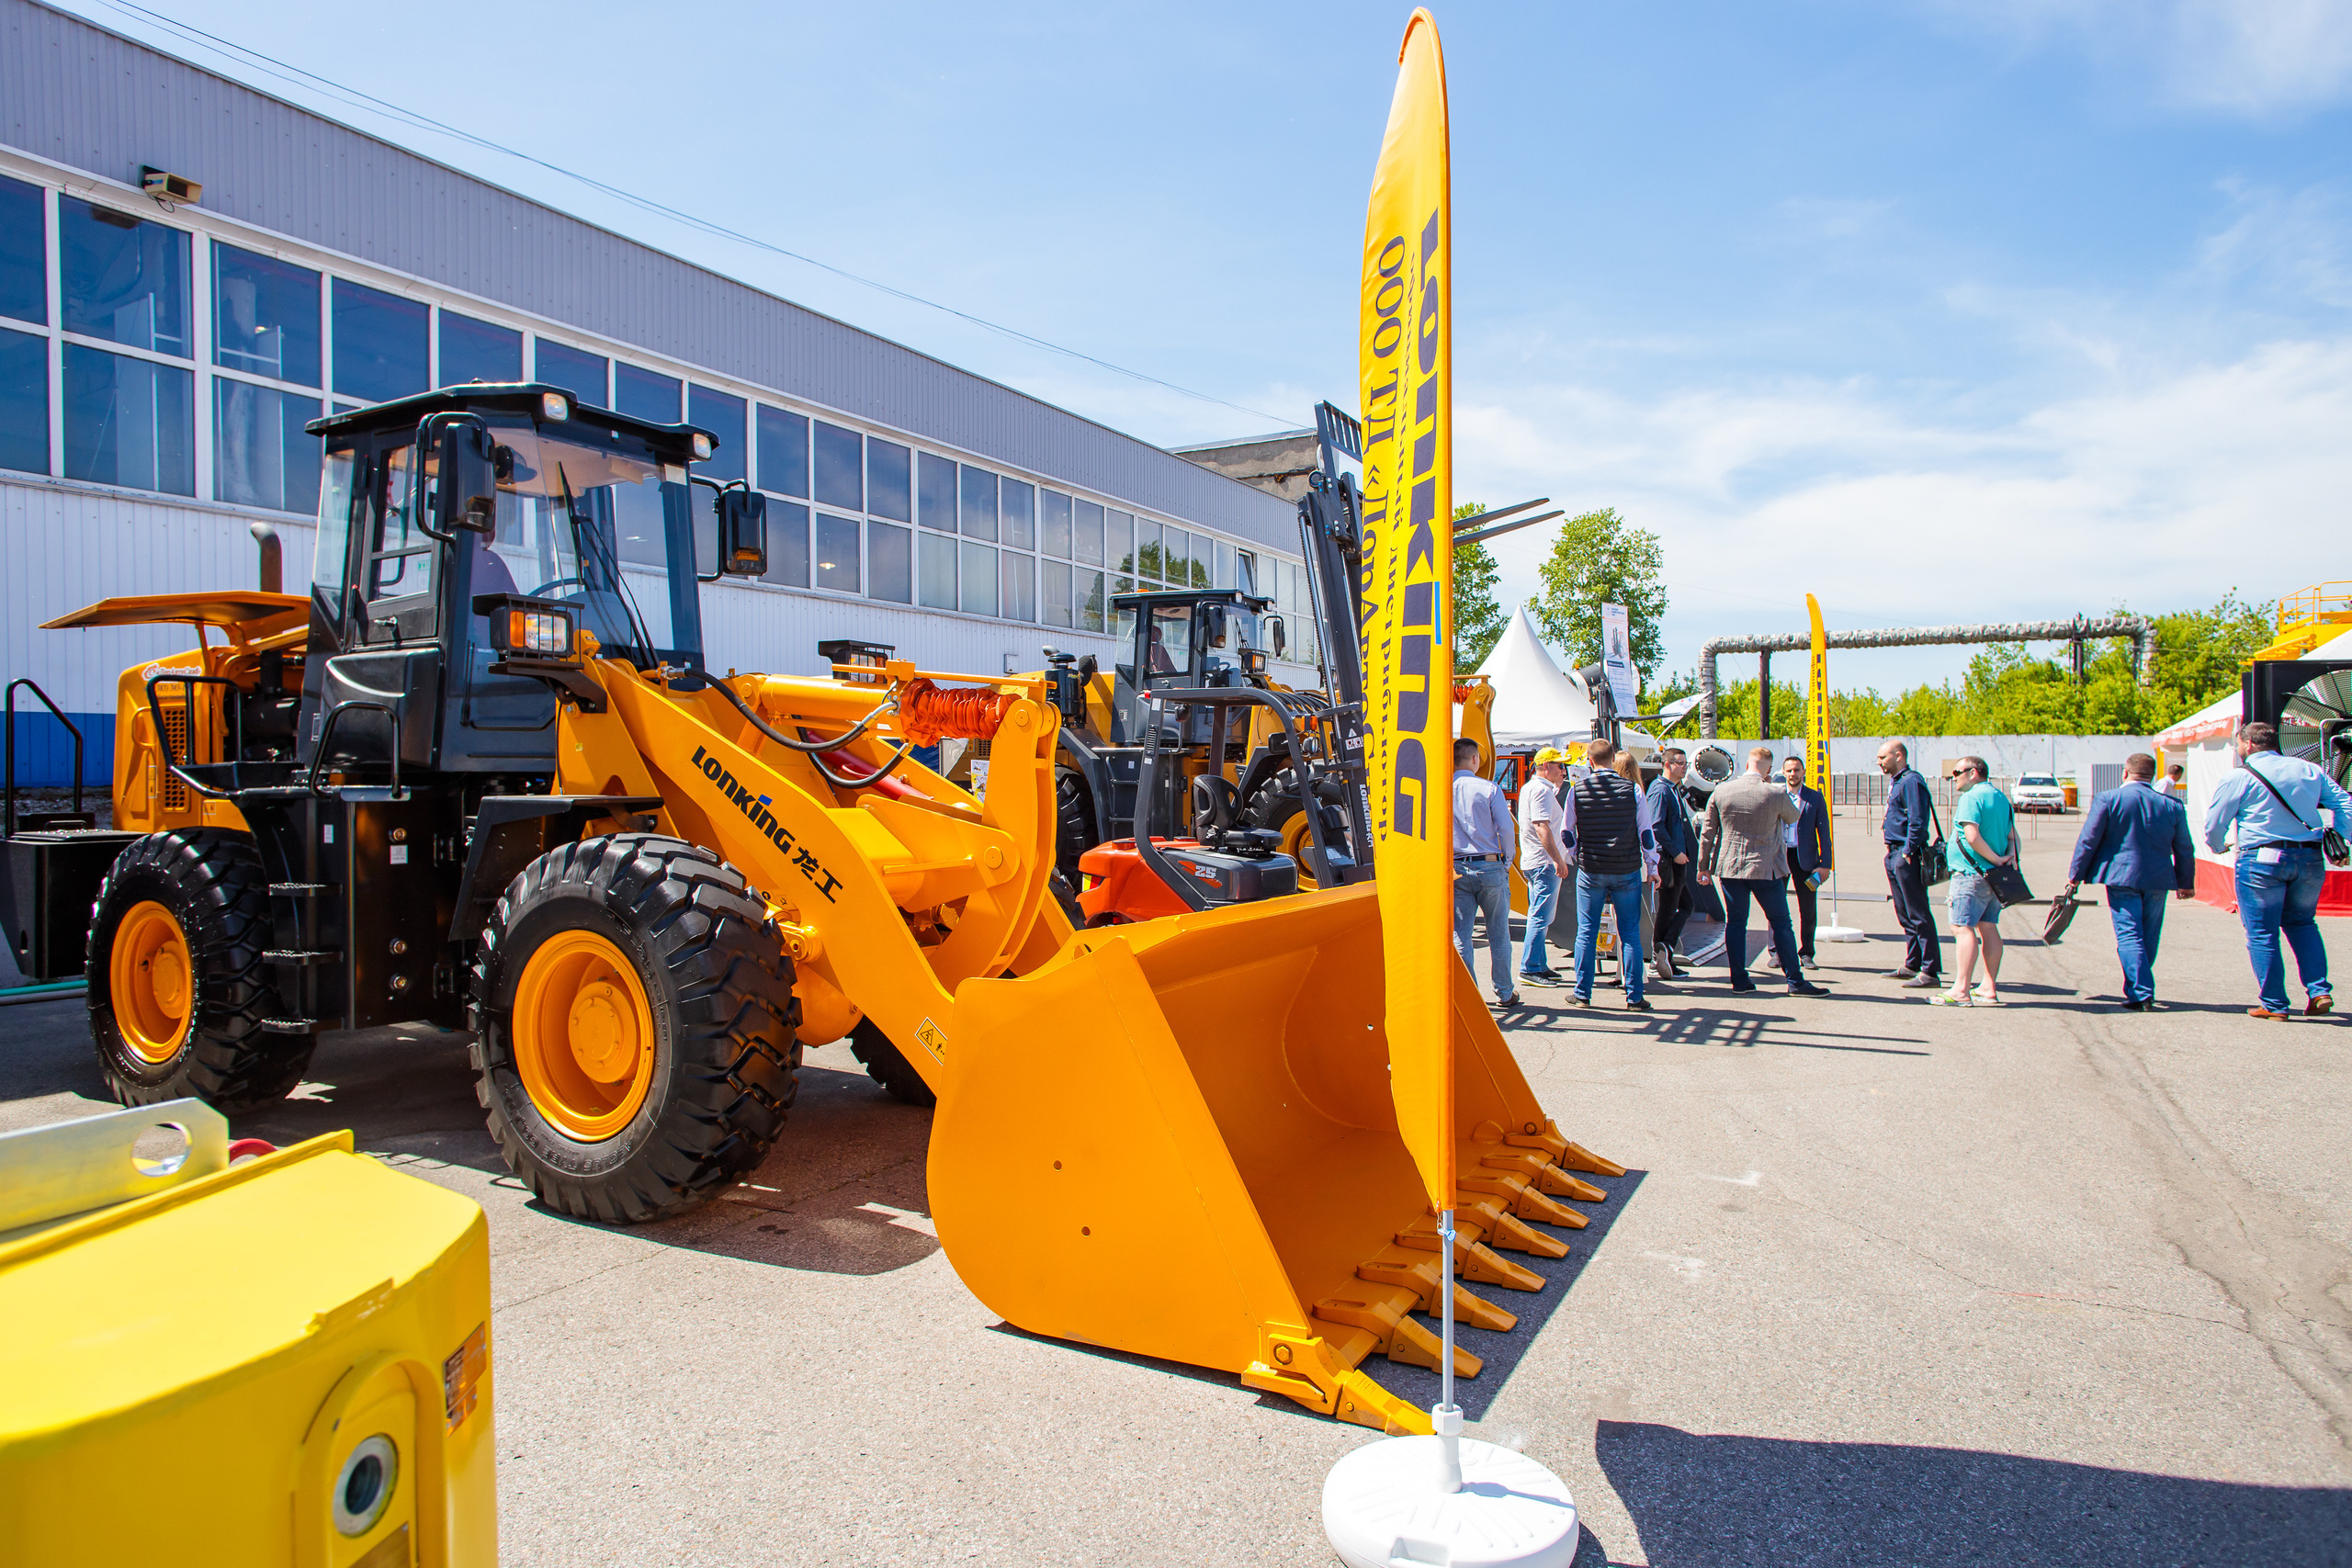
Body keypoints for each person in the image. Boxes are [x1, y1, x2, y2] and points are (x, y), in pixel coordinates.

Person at [2203, 720, 2352, 1020]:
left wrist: (2217, 845)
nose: (2238, 748)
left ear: (2250, 743)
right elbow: (2345, 802)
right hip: (2309, 859)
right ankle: (2319, 991)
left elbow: (2216, 821)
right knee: (2303, 924)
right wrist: (2344, 840)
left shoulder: (2239, 776)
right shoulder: (2309, 769)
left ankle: (2274, 1004)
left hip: (2261, 860)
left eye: (2239, 743)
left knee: (2262, 933)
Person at [2066, 752, 2198, 1010]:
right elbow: (2184, 847)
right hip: (2159, 878)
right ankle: (2141, 986)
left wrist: (2075, 875)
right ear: (2153, 776)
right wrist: (2186, 882)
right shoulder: (2172, 804)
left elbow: (2089, 839)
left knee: (2129, 934)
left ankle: (2141, 991)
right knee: (2149, 933)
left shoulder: (2109, 798)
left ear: (2125, 773)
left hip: (2121, 875)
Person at [1698, 747, 1829, 997]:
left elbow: (1708, 833)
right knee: (1781, 923)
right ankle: (1795, 980)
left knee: (1736, 923)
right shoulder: (1775, 792)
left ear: (1746, 765)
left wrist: (1703, 867)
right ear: (1769, 769)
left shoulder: (1722, 790)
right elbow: (1793, 817)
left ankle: (1739, 980)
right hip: (1765, 868)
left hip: (1731, 867)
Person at [1560, 738, 1660, 1010]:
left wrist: (1576, 855)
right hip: (1626, 868)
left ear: (1589, 761)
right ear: (1613, 757)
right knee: (1629, 933)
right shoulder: (1633, 791)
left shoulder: (1577, 790)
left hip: (1591, 870)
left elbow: (1567, 832)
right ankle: (1634, 997)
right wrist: (1652, 866)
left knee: (1586, 932)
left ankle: (1582, 994)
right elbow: (1646, 833)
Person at [1930, 757, 2017, 1008]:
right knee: (1988, 927)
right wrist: (2005, 860)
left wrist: (1996, 858)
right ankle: (1988, 987)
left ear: (1974, 773)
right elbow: (2013, 836)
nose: (1953, 777)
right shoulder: (2001, 798)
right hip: (1993, 877)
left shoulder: (1971, 797)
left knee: (1961, 927)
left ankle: (1961, 989)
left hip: (1970, 874)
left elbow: (1972, 835)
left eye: (1957, 772)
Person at [1452, 738, 1517, 1008]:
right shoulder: (1489, 788)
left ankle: (1470, 995)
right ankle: (1504, 991)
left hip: (1456, 866)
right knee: (1498, 933)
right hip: (1490, 864)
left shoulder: (1441, 790)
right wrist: (1507, 860)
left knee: (1461, 935)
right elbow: (1506, 829)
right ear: (1475, 759)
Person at [1878, 740, 1940, 989]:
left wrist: (1907, 851)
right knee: (1904, 913)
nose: (1879, 762)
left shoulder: (1912, 781)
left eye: (1883, 757)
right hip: (1894, 854)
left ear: (1899, 756)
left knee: (1918, 913)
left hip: (1906, 856)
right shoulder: (1898, 782)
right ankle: (1913, 963)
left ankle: (1930, 970)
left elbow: (1918, 820)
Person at [1517, 748, 1574, 987]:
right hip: (1544, 862)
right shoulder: (1541, 790)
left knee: (1539, 914)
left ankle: (1537, 964)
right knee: (1541, 916)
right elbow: (1541, 826)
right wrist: (1557, 860)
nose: (1563, 771)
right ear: (1547, 766)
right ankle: (1530, 967)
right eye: (1560, 766)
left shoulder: (1533, 788)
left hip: (1536, 861)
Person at [1647, 748, 1695, 979]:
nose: (1684, 767)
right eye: (1679, 763)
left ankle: (1663, 951)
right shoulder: (1660, 791)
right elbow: (1655, 825)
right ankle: (1663, 951)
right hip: (1668, 860)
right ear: (1667, 764)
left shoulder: (1673, 790)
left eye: (1685, 763)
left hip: (1676, 860)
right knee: (1672, 908)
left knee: (1682, 906)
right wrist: (1675, 851)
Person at [1781, 755, 1831, 971]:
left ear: (1803, 772)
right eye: (1789, 770)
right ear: (1783, 773)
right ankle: (1776, 952)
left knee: (1808, 908)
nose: (1793, 774)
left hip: (1806, 859)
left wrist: (1825, 864)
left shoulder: (1814, 798)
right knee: (1776, 906)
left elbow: (1824, 833)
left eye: (1797, 770)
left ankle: (1807, 953)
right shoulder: (1777, 796)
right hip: (1780, 857)